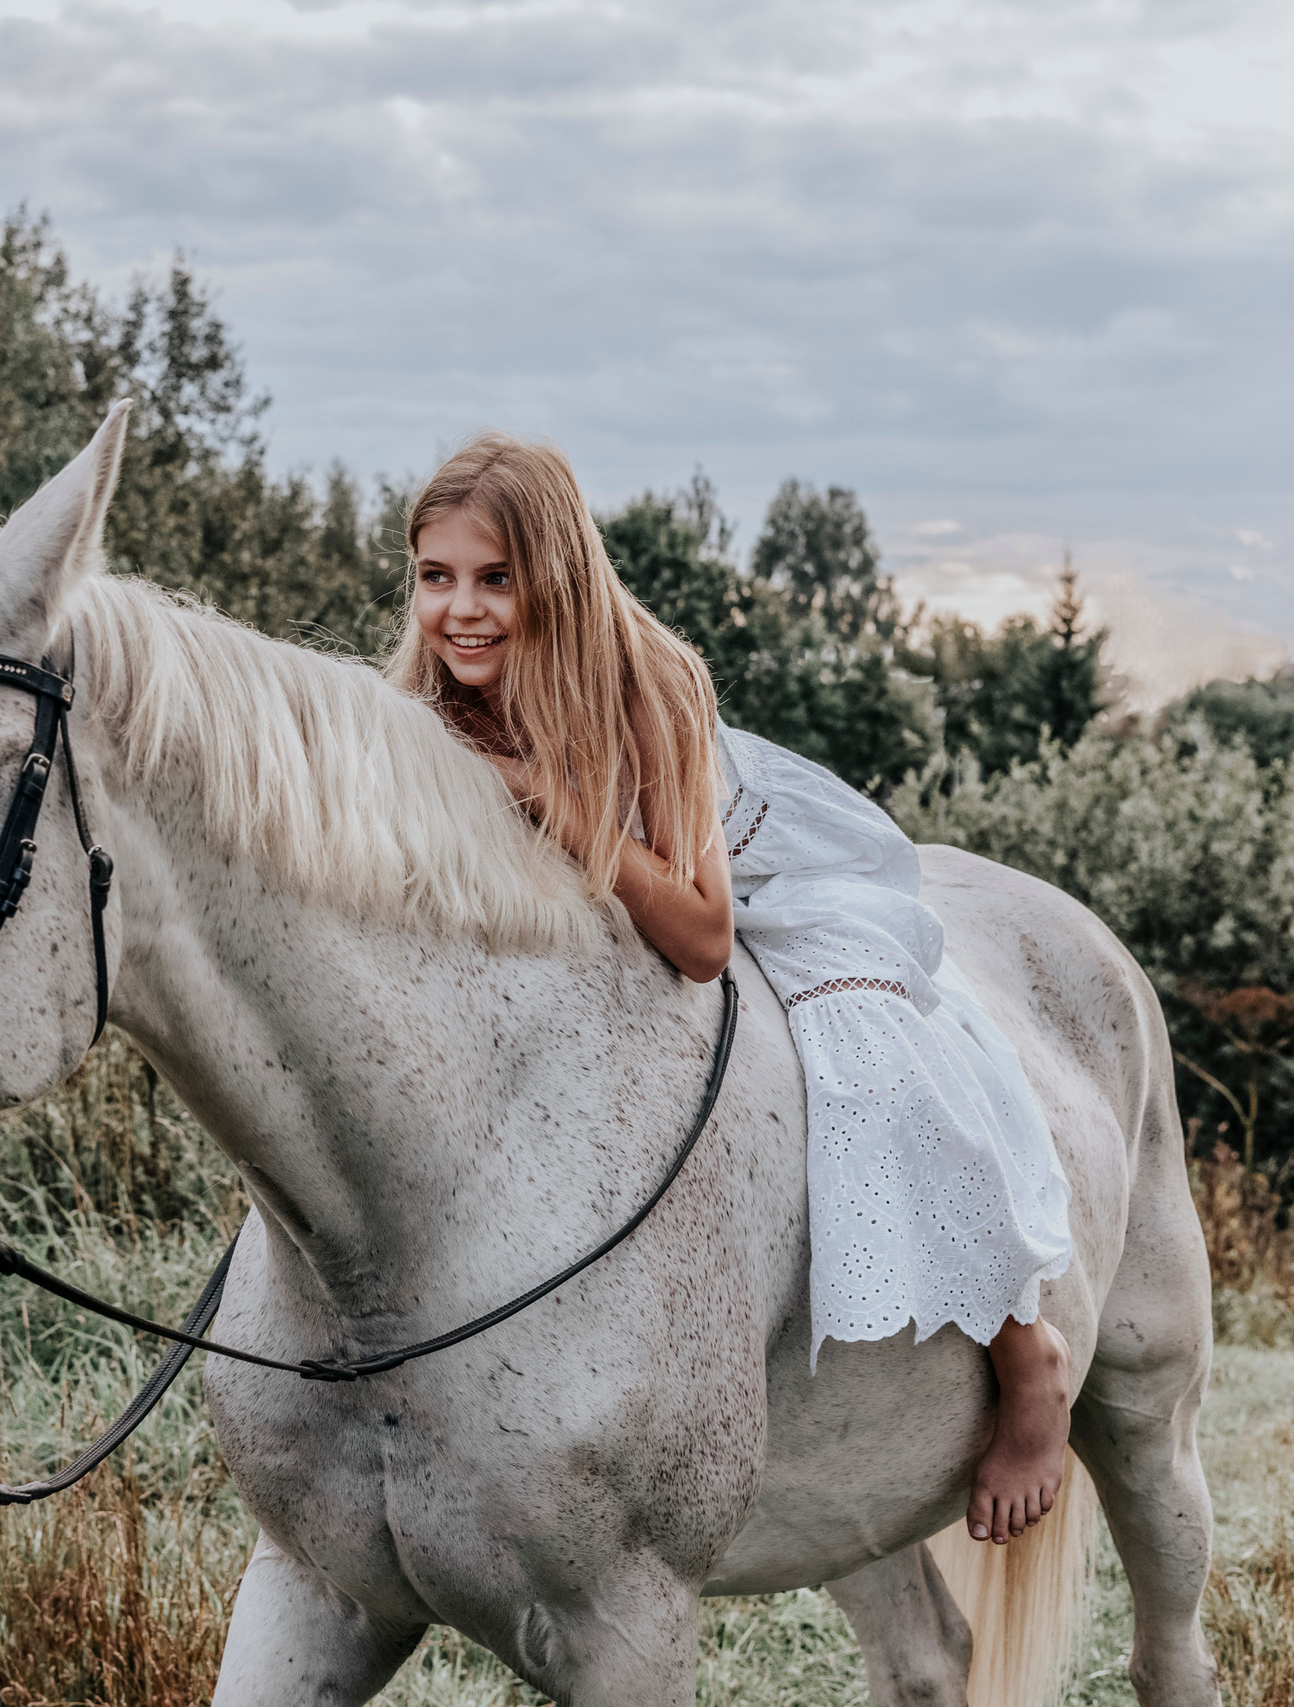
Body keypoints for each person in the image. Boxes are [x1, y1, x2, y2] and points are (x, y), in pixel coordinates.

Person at [388, 432, 1077, 1547]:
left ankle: (1024, 1350)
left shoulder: (641, 682)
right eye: (436, 577)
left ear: (554, 578)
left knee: (876, 1061)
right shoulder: (425, 698)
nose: (460, 610)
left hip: (767, 886)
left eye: (495, 578)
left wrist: (534, 789)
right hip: (594, 915)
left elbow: (705, 938)